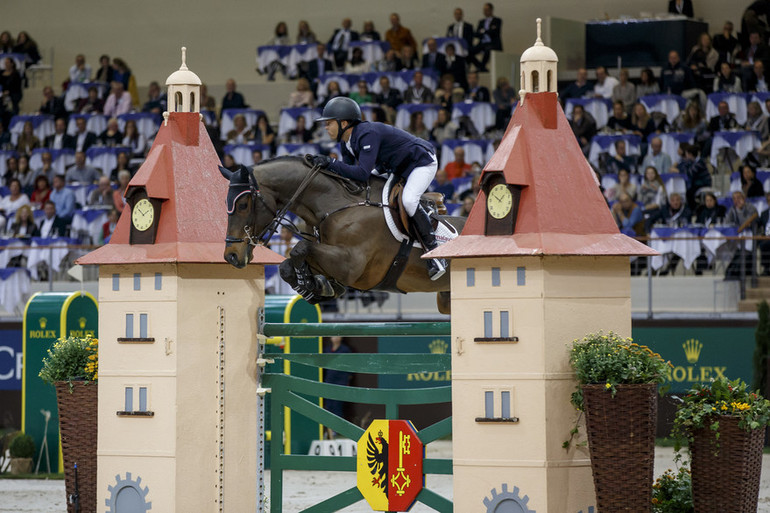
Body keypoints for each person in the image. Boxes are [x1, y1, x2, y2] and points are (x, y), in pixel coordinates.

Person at [312, 97, 447, 279]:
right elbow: (350, 177)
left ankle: (435, 253)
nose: (326, 127)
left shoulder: (367, 133)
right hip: (397, 167)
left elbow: (361, 173)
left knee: (408, 200)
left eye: (329, 123)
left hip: (421, 162)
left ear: (343, 123)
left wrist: (331, 162)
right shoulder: (346, 142)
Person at [725, 190, 759, 279]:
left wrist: (740, 210)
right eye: (734, 199)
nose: (737, 201)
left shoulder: (751, 208)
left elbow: (748, 223)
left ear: (744, 199)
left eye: (739, 198)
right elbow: (727, 223)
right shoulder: (732, 209)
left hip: (751, 234)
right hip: (738, 235)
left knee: (746, 253)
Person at [322, 336, 352, 426]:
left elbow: (349, 367)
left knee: (337, 406)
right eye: (333, 335)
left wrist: (347, 381)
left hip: (341, 382)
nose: (335, 338)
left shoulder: (345, 350)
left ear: (341, 337)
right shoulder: (326, 350)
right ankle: (329, 430)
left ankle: (338, 428)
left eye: (337, 335)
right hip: (328, 381)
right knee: (329, 405)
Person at [675, 143, 712, 210]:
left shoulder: (700, 162)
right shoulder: (692, 162)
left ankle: (693, 210)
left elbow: (689, 173)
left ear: (690, 154)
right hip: (696, 183)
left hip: (703, 183)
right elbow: (684, 167)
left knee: (689, 193)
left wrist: (678, 171)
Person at [469, 2, 502, 72]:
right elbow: (477, 34)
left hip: (493, 43)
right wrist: (487, 31)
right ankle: (481, 67)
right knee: (469, 52)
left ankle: (482, 67)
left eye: (487, 10)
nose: (485, 12)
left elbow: (495, 32)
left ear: (491, 10)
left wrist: (483, 31)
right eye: (484, 10)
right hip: (482, 43)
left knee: (488, 49)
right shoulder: (481, 22)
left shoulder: (497, 20)